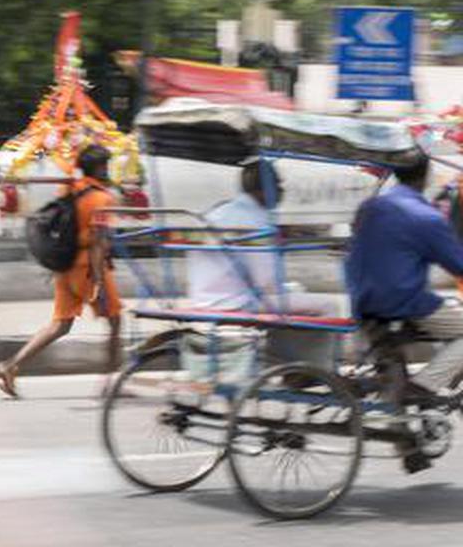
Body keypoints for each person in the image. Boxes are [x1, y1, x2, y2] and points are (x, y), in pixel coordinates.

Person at [0, 145, 122, 398]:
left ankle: (10, 366)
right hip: (88, 267)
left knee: (60, 325)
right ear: (98, 168)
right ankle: (110, 383)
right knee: (116, 322)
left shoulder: (68, 188)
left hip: (64, 266)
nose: (108, 170)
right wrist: (97, 280)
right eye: (105, 165)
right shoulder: (102, 199)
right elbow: (99, 241)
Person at [187, 160, 339, 370]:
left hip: (204, 298)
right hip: (238, 302)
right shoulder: (258, 222)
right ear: (264, 189)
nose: (281, 191)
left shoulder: (216, 213)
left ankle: (287, 363)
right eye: (277, 185)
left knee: (293, 296)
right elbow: (267, 283)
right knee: (328, 306)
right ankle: (309, 371)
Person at [347, 153, 463, 398]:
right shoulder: (426, 217)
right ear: (426, 176)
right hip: (402, 302)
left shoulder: (369, 206)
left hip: (361, 299)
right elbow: (458, 264)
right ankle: (424, 386)